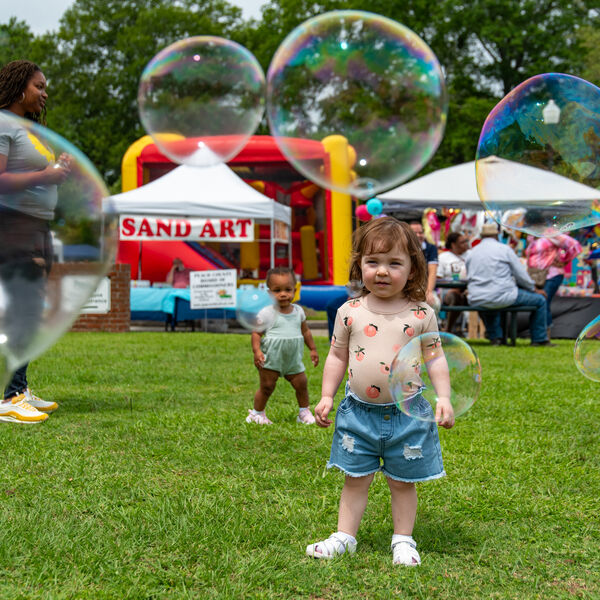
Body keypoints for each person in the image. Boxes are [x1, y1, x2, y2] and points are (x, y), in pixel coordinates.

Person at [307, 217, 454, 566]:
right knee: (355, 478)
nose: (382, 271)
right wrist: (327, 394)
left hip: (408, 415)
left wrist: (444, 397)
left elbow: (435, 358)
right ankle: (345, 537)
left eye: (394, 263)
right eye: (373, 262)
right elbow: (336, 355)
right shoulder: (349, 312)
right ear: (359, 265)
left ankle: (403, 540)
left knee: (403, 482)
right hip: (358, 414)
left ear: (413, 269)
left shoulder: (421, 314)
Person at [0, 59, 70, 424]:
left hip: (36, 227)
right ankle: (10, 398)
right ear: (19, 87)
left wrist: (56, 171)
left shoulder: (25, 129)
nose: (44, 93)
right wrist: (46, 173)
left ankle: (20, 388)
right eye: (39, 86)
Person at [247, 267, 319, 425]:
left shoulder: (299, 311)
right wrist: (257, 351)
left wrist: (312, 349)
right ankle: (257, 414)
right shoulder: (267, 313)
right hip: (272, 358)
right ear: (269, 293)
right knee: (267, 386)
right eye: (277, 290)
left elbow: (305, 331)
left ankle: (303, 412)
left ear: (295, 290)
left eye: (288, 289)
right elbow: (256, 333)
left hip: (292, 359)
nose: (283, 294)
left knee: (301, 384)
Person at [466, 222, 553, 346]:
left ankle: (495, 337)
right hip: (503, 295)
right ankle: (539, 338)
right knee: (540, 301)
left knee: (489, 303)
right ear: (497, 235)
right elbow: (521, 275)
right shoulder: (504, 250)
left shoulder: (472, 252)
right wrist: (533, 288)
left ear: (482, 236)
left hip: (477, 296)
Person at [525, 233, 582, 341]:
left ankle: (545, 336)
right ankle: (539, 335)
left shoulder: (552, 234)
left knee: (543, 302)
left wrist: (564, 260)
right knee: (539, 303)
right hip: (536, 277)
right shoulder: (531, 236)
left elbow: (574, 245)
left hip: (552, 274)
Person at [437, 232, 470, 334]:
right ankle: (449, 330)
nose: (466, 244)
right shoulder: (443, 257)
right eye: (462, 242)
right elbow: (438, 278)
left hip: (469, 290)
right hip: (448, 291)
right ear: (453, 244)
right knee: (455, 296)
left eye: (466, 241)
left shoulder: (471, 255)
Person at [409, 220, 438, 307]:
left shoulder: (431, 248)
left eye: (421, 232)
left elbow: (432, 272)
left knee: (435, 304)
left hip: (425, 287)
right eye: (415, 233)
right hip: (407, 288)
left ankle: (433, 321)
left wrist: (428, 292)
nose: (418, 235)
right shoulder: (403, 247)